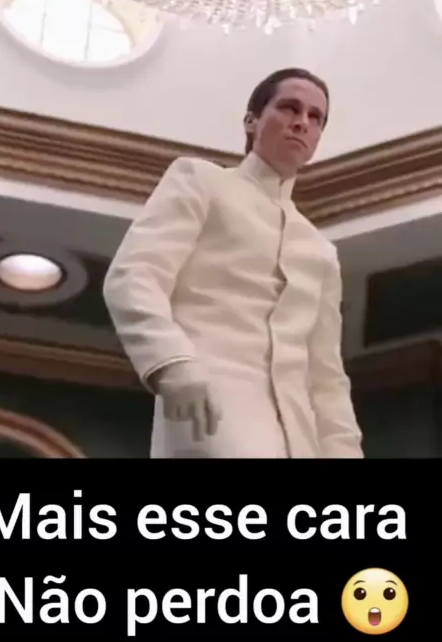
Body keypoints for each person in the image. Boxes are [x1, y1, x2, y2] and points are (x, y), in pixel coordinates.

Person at [103, 67, 363, 458]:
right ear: (251, 120)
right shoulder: (202, 181)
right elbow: (135, 275)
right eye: (289, 108)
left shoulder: (320, 251)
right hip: (212, 402)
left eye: (315, 117)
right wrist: (172, 362)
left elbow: (326, 377)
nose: (302, 123)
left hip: (300, 435)